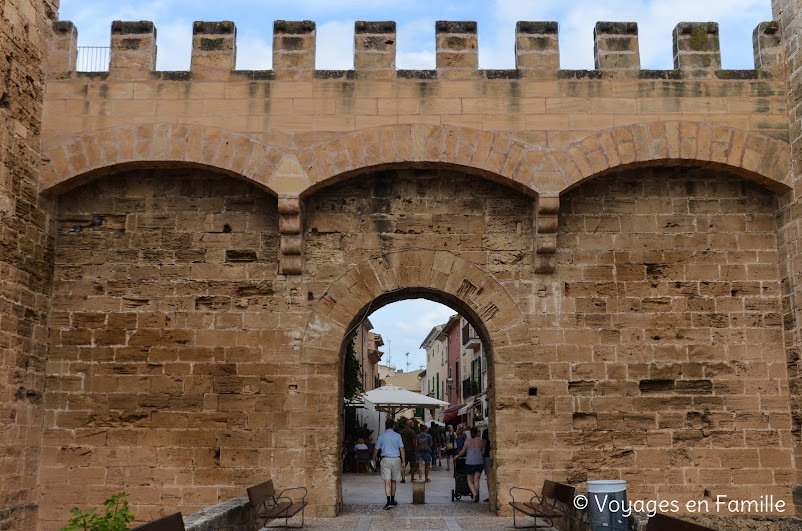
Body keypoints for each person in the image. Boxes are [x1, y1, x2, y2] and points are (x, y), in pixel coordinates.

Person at [372, 418, 406, 510]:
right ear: (393, 426)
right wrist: (403, 461)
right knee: (394, 481)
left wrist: (373, 459)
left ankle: (388, 501)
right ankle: (392, 500)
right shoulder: (398, 436)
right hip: (396, 459)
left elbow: (376, 449)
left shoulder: (381, 436)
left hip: (385, 459)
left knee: (387, 481)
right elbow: (402, 449)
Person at [455, 426, 484, 502]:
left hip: (470, 463)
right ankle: (476, 496)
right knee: (476, 480)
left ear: (470, 433)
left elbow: (462, 451)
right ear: (477, 432)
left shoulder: (468, 441)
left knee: (470, 481)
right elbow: (483, 452)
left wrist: (457, 456)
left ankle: (474, 494)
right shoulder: (481, 441)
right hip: (479, 462)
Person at [482, 426, 492, 502]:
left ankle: (490, 495)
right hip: (492, 454)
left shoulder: (485, 431)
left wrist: (483, 453)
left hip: (487, 455)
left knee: (488, 476)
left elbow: (484, 443)